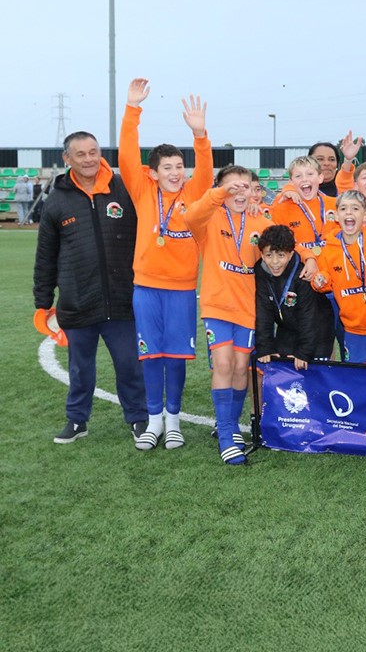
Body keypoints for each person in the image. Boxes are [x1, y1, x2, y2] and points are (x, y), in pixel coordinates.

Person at [33, 131, 148, 444]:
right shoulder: (57, 197)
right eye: (80, 154)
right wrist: (42, 301)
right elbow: (45, 254)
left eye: (93, 152)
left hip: (123, 297)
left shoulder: (123, 188)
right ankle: (77, 421)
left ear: (101, 153)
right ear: (67, 159)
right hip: (78, 300)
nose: (88, 159)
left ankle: (138, 419)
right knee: (80, 370)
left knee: (129, 366)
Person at [119, 78, 214, 451]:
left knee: (175, 356)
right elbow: (127, 155)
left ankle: (173, 421)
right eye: (168, 167)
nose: (176, 172)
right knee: (150, 353)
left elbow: (204, 170)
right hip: (146, 287)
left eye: (179, 166)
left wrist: (200, 134)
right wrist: (132, 109)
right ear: (153, 172)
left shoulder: (193, 192)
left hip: (181, 288)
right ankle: (153, 420)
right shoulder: (143, 192)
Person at [186, 165, 272, 465]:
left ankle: (232, 423)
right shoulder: (209, 218)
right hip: (217, 305)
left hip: (247, 308)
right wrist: (220, 194)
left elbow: (281, 248)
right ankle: (225, 434)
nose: (239, 192)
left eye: (245, 187)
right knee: (222, 363)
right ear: (220, 190)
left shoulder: (259, 220)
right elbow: (190, 215)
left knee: (239, 368)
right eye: (231, 187)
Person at [312, 190, 366, 364]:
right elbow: (326, 281)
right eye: (344, 209)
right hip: (353, 328)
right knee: (358, 377)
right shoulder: (329, 248)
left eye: (355, 208)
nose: (349, 213)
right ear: (336, 216)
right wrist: (319, 281)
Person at [255, 224, 334, 367]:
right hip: (287, 329)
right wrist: (265, 346)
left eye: (281, 255)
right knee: (284, 372)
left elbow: (309, 316)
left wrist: (304, 352)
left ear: (291, 254)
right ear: (261, 255)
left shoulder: (303, 274)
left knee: (315, 377)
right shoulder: (261, 272)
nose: (274, 262)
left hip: (317, 330)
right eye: (268, 255)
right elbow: (263, 311)